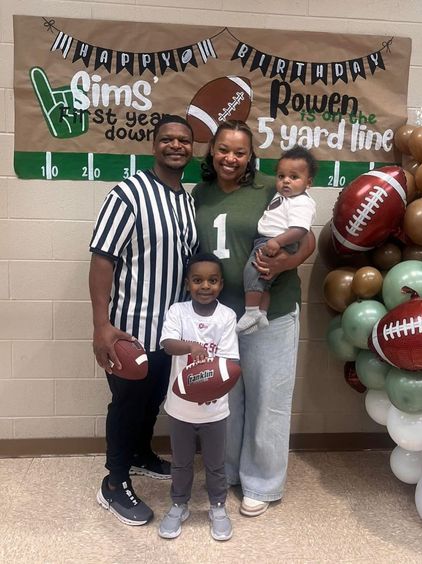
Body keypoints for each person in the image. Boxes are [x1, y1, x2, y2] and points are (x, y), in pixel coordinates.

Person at [192, 120, 316, 517]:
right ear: (212, 151)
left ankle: (262, 481)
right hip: (220, 317)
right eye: (223, 149)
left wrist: (286, 263)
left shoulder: (272, 186)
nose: (231, 158)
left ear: (250, 156)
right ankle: (228, 471)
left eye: (240, 152)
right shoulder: (200, 193)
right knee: (227, 398)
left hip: (271, 312)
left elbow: (308, 235)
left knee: (268, 400)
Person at [89, 115, 198, 526]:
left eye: (184, 140)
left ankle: (139, 454)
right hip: (130, 329)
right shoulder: (129, 193)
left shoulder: (186, 201)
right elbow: (102, 260)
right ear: (154, 146)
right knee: (128, 404)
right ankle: (113, 485)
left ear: (191, 148)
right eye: (167, 139)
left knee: (153, 401)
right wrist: (101, 326)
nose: (176, 145)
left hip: (168, 333)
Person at [158, 253, 239, 541]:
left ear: (221, 284)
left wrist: (211, 390)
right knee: (180, 462)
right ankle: (179, 504)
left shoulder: (227, 316)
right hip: (180, 408)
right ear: (188, 284)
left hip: (215, 409)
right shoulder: (178, 312)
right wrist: (191, 347)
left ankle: (218, 506)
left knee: (216, 464)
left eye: (212, 280)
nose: (205, 286)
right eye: (198, 280)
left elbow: (230, 364)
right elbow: (167, 345)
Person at [236, 147, 317, 334]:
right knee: (265, 281)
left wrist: (278, 242)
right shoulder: (283, 195)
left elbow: (300, 230)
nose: (286, 181)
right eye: (281, 177)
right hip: (270, 240)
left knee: (253, 271)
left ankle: (251, 312)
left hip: (273, 242)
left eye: (294, 177)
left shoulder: (302, 202)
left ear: (308, 182)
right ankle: (262, 313)